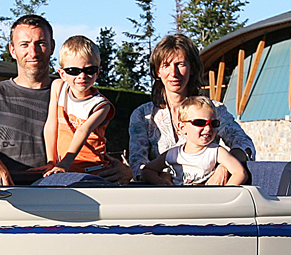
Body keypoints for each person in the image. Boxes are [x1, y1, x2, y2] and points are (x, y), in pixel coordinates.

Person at [0, 15, 131, 186]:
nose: (33, 52)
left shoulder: (72, 92)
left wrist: (121, 170)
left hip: (65, 192)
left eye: (41, 43)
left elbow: (92, 145)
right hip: (8, 194)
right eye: (24, 44)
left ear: (52, 47)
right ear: (12, 50)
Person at [128, 33, 254, 185]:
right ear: (157, 72)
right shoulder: (143, 116)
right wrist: (161, 179)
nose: (173, 73)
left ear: (192, 68)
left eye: (180, 64)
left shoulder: (216, 110)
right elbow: (138, 165)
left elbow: (245, 145)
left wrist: (224, 167)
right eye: (166, 65)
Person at [43, 36, 114, 176]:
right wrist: (51, 162)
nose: (82, 76)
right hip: (64, 167)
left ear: (98, 72)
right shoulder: (58, 87)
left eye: (89, 70)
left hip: (93, 168)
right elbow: (51, 124)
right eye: (73, 71)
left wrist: (65, 163)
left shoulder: (101, 105)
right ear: (62, 74)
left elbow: (83, 131)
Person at [144, 97, 248, 186]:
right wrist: (160, 181)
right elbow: (147, 170)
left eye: (213, 123)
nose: (208, 128)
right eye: (200, 122)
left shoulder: (216, 152)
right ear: (182, 127)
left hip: (206, 202)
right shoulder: (173, 154)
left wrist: (224, 194)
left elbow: (240, 173)